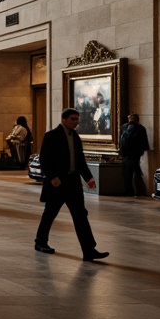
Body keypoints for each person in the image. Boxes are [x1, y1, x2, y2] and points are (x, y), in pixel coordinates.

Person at [34, 107, 108, 261]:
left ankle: (89, 250)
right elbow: (44, 159)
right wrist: (52, 176)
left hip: (73, 183)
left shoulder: (75, 137)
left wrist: (89, 178)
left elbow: (80, 161)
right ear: (64, 119)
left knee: (80, 215)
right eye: (73, 119)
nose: (76, 122)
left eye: (77, 119)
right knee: (50, 214)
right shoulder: (51, 136)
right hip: (57, 183)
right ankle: (40, 242)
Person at [117, 113, 149, 197]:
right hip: (135, 155)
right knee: (137, 173)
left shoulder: (124, 127)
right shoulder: (141, 128)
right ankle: (140, 191)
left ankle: (129, 191)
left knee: (127, 174)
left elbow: (120, 142)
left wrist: (121, 152)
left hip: (126, 155)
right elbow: (144, 143)